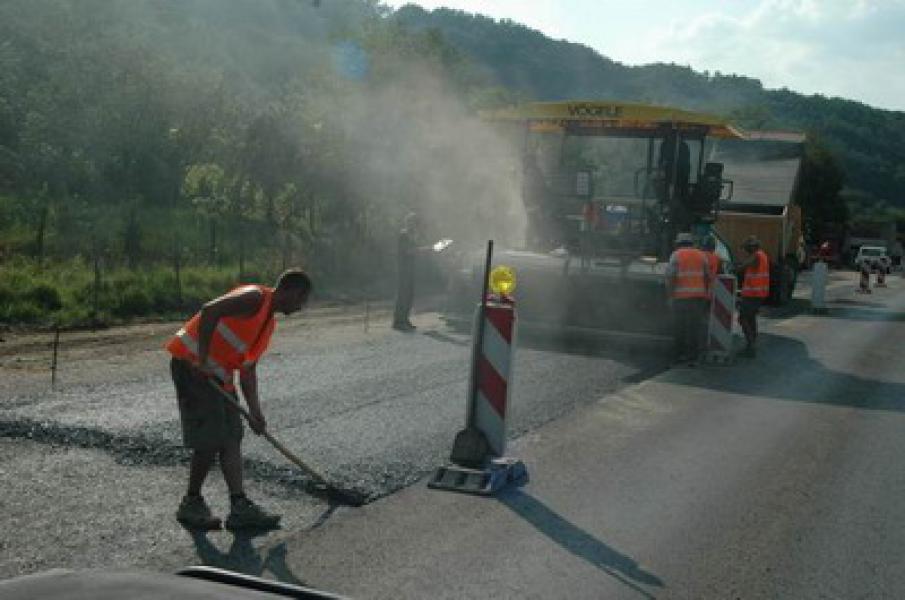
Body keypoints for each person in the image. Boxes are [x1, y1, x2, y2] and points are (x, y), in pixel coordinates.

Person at [166, 269, 312, 530]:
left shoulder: (268, 323)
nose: (301, 307)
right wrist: (200, 360)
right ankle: (191, 503)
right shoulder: (254, 298)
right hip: (192, 368)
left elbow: (248, 370)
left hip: (218, 377)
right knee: (210, 439)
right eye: (302, 300)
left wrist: (256, 413)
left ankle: (239, 506)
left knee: (232, 436)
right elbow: (209, 310)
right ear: (291, 291)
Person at [666, 232, 710, 365]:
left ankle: (678, 355)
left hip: (681, 298)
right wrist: (704, 293)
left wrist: (670, 296)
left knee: (679, 327)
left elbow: (671, 277)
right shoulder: (702, 255)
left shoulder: (676, 255)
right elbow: (707, 276)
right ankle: (692, 357)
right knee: (694, 328)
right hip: (697, 298)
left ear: (678, 243)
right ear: (692, 243)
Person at [736, 236, 770, 357]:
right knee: (750, 318)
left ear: (751, 248)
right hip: (758, 293)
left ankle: (751, 346)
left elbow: (743, 267)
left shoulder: (757, 255)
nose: (745, 251)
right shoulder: (763, 255)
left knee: (743, 318)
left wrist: (736, 267)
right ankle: (751, 344)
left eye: (746, 249)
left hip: (753, 294)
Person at [394, 212, 423, 331]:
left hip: (410, 269)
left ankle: (405, 319)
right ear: (408, 223)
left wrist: (421, 250)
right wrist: (421, 250)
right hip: (404, 269)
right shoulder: (404, 235)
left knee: (409, 295)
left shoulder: (411, 235)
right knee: (403, 295)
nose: (414, 225)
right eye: (412, 222)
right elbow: (408, 251)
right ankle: (398, 321)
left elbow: (413, 251)